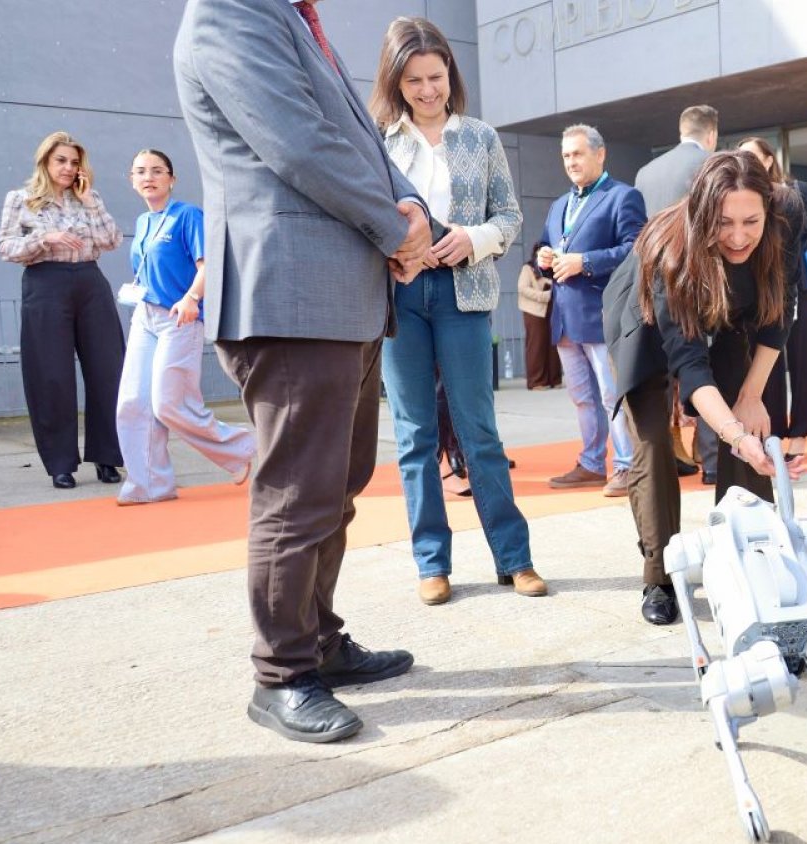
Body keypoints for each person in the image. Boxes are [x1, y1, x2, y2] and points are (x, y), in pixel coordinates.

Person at [174, 0, 432, 744]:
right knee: (296, 497)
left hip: (339, 294)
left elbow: (357, 138)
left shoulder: (289, 17)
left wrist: (409, 207)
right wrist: (394, 227)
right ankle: (281, 673)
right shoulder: (227, 14)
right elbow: (301, 145)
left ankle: (319, 641)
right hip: (288, 294)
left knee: (334, 488)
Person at [371, 16, 544, 607]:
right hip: (400, 298)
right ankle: (431, 562)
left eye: (436, 77)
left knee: (480, 432)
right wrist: (392, 254)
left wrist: (474, 238)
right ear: (395, 81)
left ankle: (514, 558)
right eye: (414, 79)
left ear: (451, 74)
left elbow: (511, 219)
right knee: (414, 434)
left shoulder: (480, 137)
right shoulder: (377, 140)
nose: (426, 90)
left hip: (464, 293)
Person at [606, 150, 802, 626]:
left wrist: (750, 400)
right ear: (702, 214)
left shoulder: (782, 225)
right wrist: (731, 432)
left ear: (768, 211)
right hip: (645, 323)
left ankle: (746, 554)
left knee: (752, 428)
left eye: (750, 221)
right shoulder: (672, 253)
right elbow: (690, 368)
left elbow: (778, 317)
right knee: (653, 443)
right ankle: (661, 574)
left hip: (728, 315)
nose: (738, 237)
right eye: (724, 223)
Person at [113, 149, 256, 505]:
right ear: (132, 180)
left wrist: (192, 298)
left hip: (180, 316)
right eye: (141, 171)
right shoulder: (143, 222)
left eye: (158, 171)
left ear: (171, 179)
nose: (149, 177)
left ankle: (246, 448)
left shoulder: (188, 215)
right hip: (144, 316)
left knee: (169, 404)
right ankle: (148, 485)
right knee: (132, 402)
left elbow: (209, 264)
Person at [0, 131, 125, 490]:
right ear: (45, 162)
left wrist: (90, 202)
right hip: (44, 282)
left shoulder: (89, 197)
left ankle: (107, 456)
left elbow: (111, 240)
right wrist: (43, 239)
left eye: (74, 162)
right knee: (51, 375)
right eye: (61, 161)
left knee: (108, 370)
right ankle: (60, 463)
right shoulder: (20, 199)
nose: (69, 168)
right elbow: (5, 248)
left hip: (89, 282)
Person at [537, 124, 646, 498]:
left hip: (602, 317)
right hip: (565, 318)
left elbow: (637, 250)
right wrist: (543, 257)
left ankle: (627, 466)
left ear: (600, 154)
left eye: (578, 154)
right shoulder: (557, 205)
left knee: (610, 396)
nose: (571, 161)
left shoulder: (623, 197)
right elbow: (546, 245)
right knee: (582, 397)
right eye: (566, 155)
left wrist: (585, 262)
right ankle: (591, 463)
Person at [739, 136, 807, 468]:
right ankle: (769, 433)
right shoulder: (741, 194)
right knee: (766, 364)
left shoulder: (797, 190)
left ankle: (800, 434)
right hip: (759, 288)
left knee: (806, 362)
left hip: (799, 285)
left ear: (769, 160)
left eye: (753, 157)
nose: (747, 164)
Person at [634, 105, 720, 479]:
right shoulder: (712, 167)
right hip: (699, 282)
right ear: (711, 134)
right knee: (705, 367)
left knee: (665, 374)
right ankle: (712, 457)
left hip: (655, 283)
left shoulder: (646, 172)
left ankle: (672, 455)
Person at [517, 244, 563, 390]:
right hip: (534, 311)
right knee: (536, 345)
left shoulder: (555, 267)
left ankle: (555, 380)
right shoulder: (528, 268)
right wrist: (544, 295)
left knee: (554, 345)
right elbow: (522, 288)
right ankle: (537, 381)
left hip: (552, 309)